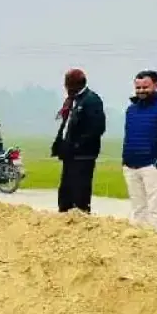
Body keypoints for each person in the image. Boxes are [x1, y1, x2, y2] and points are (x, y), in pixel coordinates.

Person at [51, 68, 106, 213]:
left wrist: (76, 145)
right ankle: (64, 218)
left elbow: (97, 129)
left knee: (79, 193)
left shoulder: (91, 100)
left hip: (83, 156)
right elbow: (66, 124)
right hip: (69, 155)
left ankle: (81, 223)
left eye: (68, 84)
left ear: (76, 84)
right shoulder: (72, 101)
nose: (66, 87)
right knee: (65, 193)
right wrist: (59, 144)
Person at [121, 70, 157, 232]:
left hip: (153, 166)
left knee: (156, 206)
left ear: (155, 85)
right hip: (131, 165)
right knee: (138, 207)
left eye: (145, 87)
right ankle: (140, 245)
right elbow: (128, 136)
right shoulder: (131, 110)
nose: (141, 91)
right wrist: (124, 161)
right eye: (138, 87)